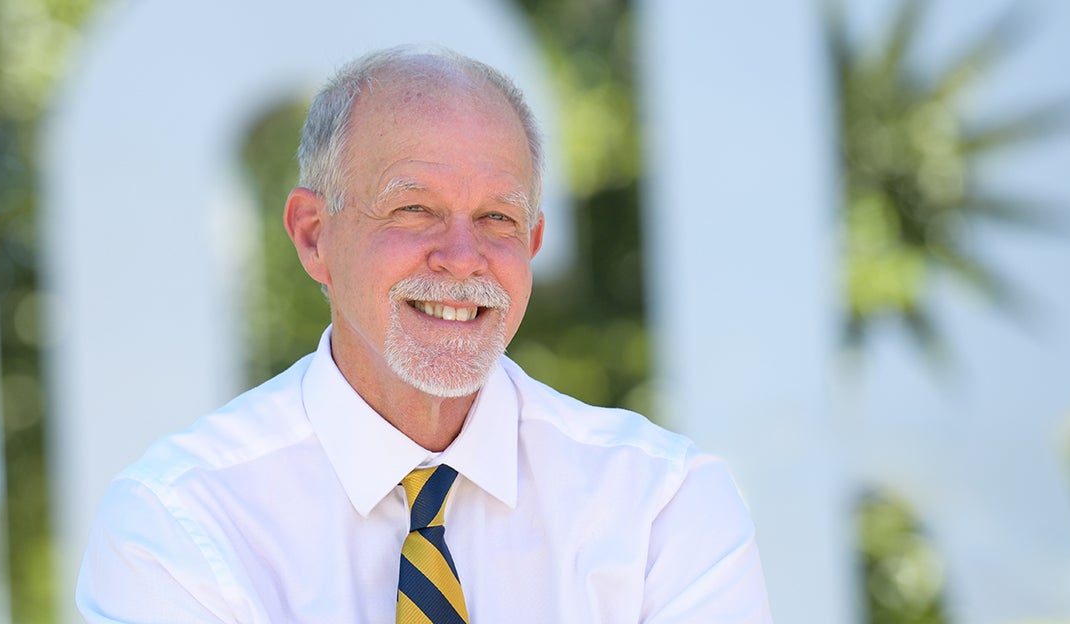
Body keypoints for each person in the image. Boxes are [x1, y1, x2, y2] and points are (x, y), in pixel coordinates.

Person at [77, 44, 772, 623]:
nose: (463, 258)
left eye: (498, 220)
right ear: (314, 237)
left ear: (532, 243)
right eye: (414, 210)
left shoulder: (660, 507)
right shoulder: (181, 524)